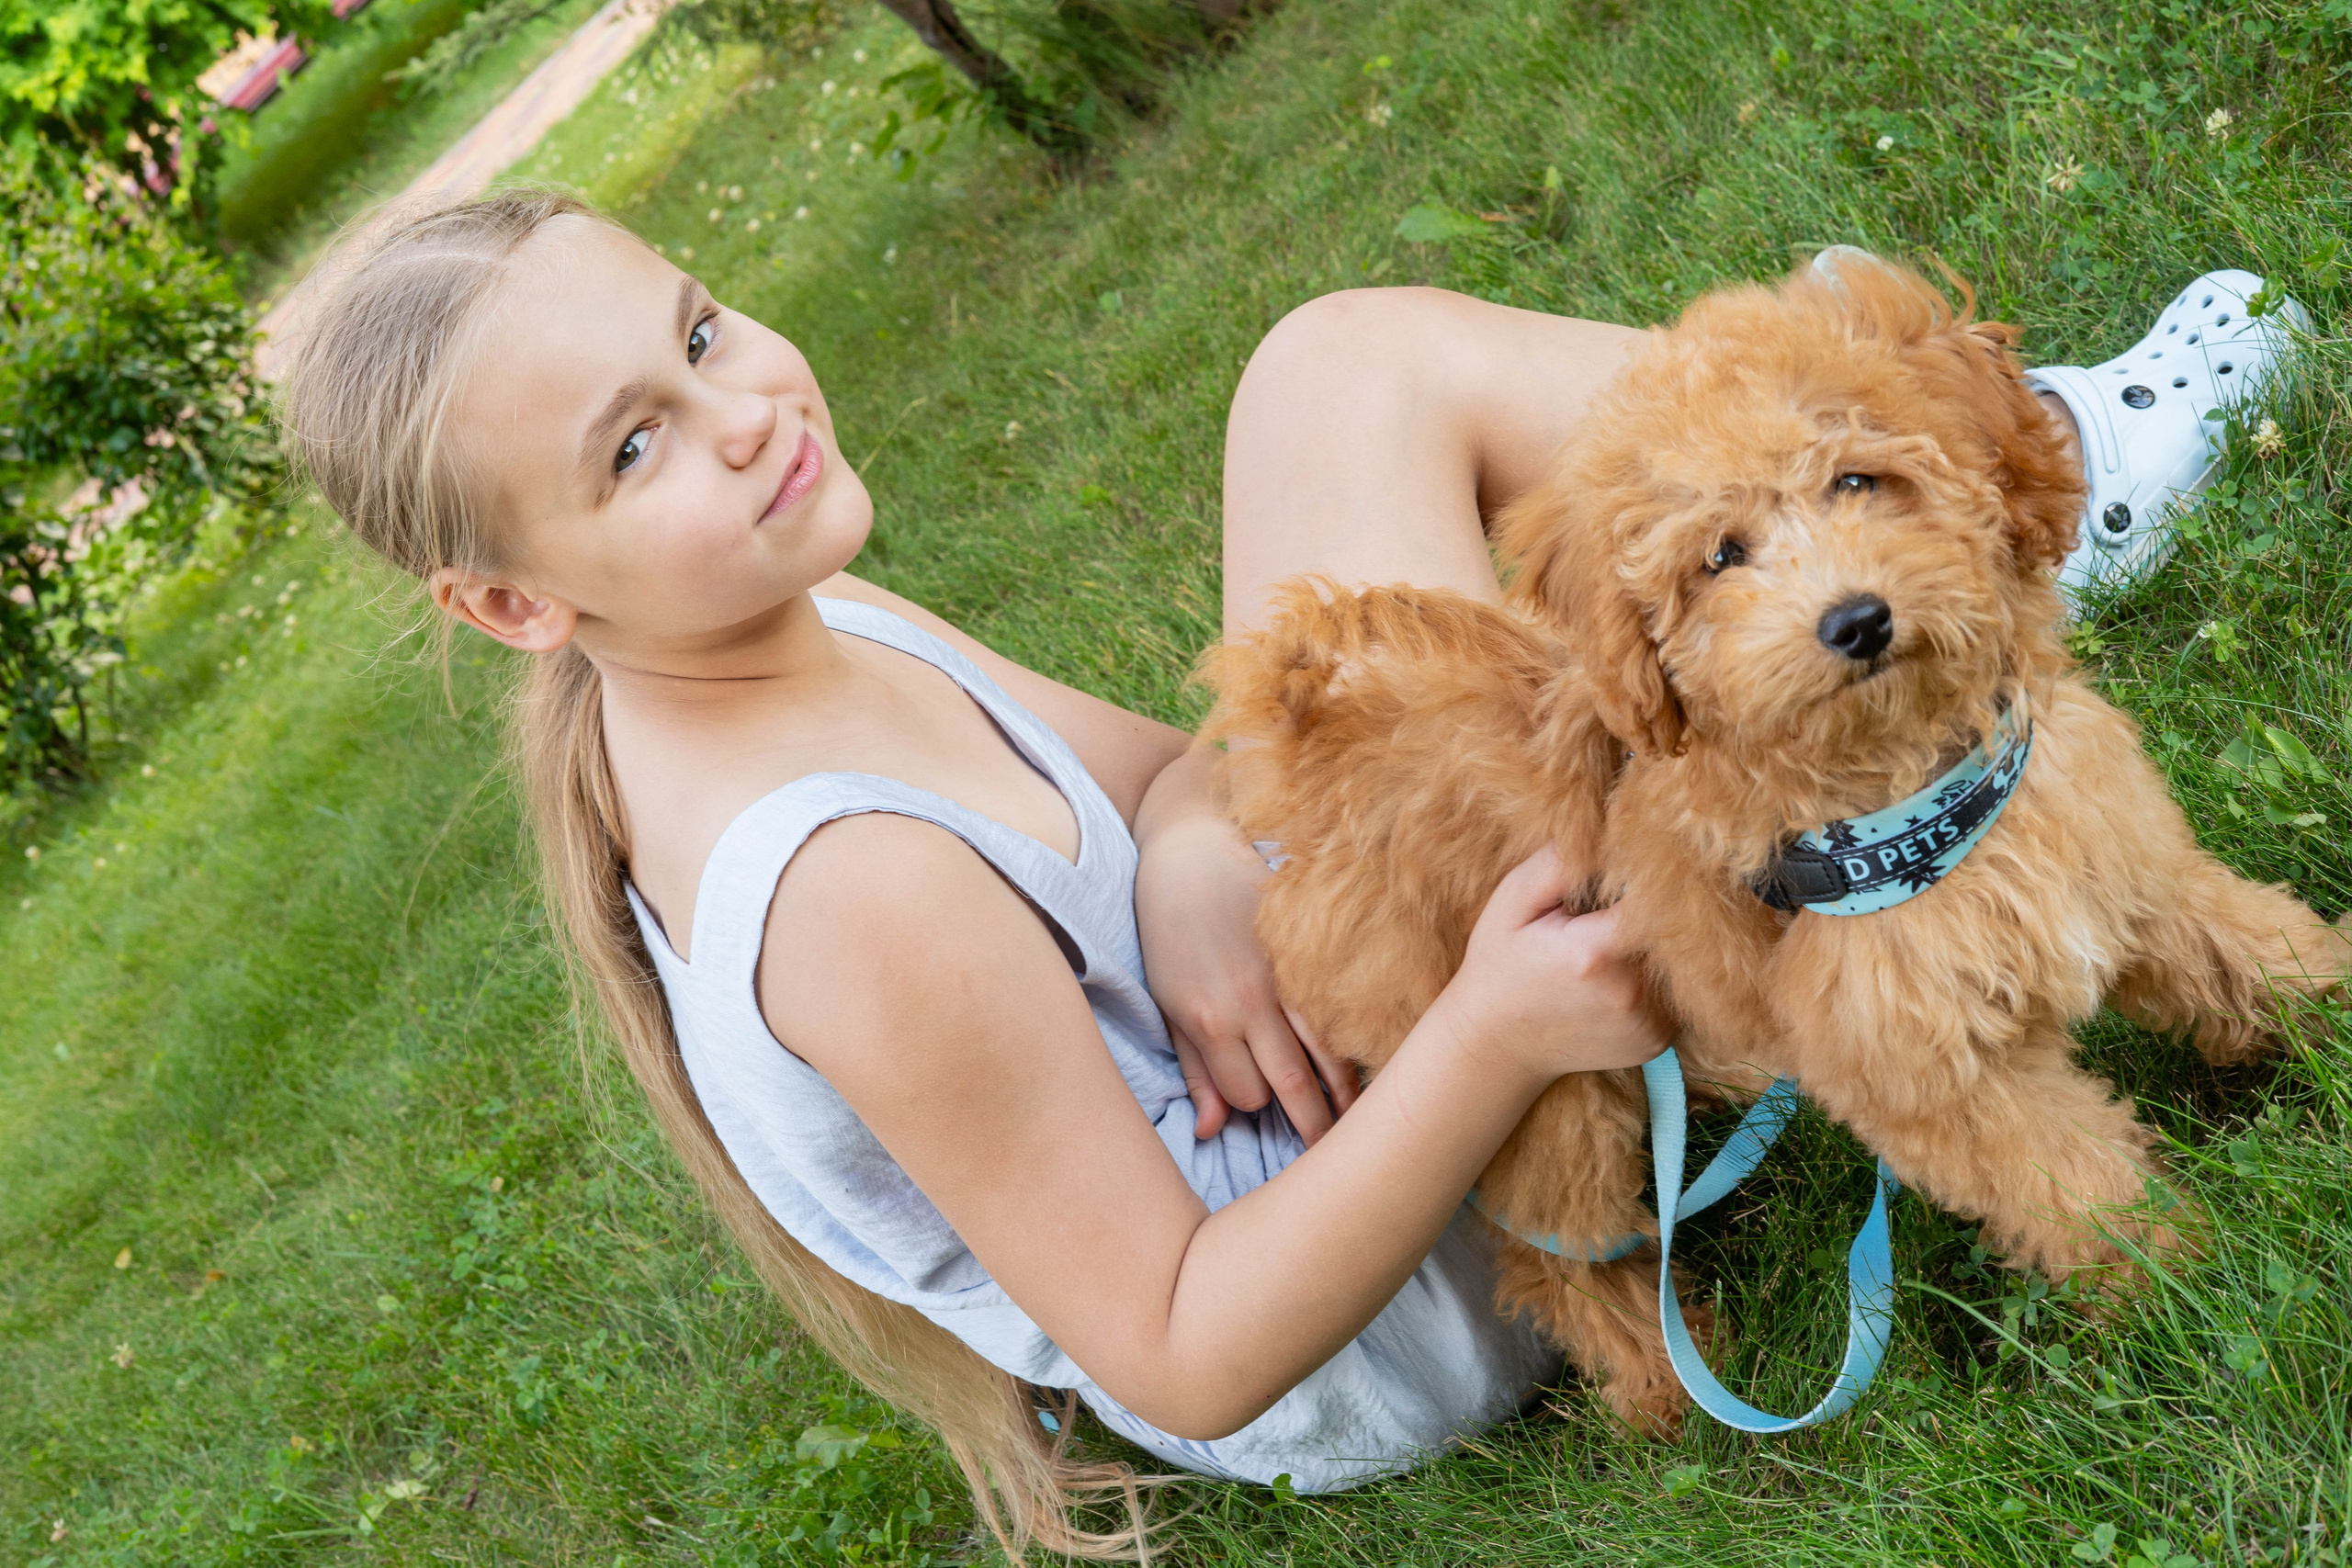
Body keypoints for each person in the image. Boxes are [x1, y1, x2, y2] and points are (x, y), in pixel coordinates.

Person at [277, 189, 2299, 1558]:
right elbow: (1178, 1336)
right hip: (1378, 1268)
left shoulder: (783, 597)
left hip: (1289, 1000)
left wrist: (1174, 850)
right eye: (633, 447)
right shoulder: (841, 893)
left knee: (1339, 363)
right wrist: (1498, 1036)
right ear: (506, 599)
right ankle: (1866, 487)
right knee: (1475, 559)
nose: (742, 418)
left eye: (702, 332)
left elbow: (1176, 774)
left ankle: (1880, 455)